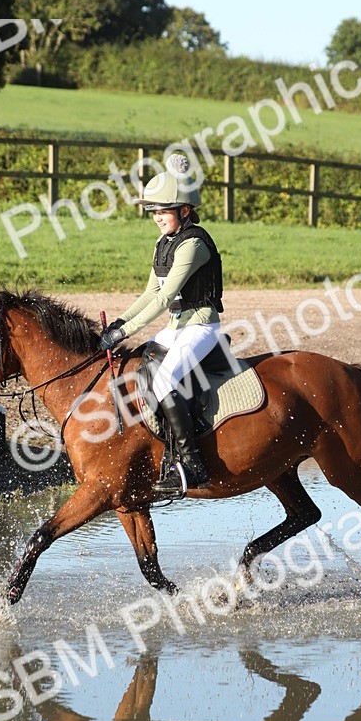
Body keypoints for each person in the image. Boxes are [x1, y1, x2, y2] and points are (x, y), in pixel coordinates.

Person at [99, 152, 224, 499]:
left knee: (166, 377)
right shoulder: (163, 244)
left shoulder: (194, 244)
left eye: (163, 210)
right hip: (175, 327)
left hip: (200, 327)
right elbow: (148, 293)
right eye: (153, 211)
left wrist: (123, 332)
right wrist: (122, 321)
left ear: (184, 210)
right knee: (143, 365)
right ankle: (164, 443)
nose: (157, 217)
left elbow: (164, 297)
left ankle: (192, 462)